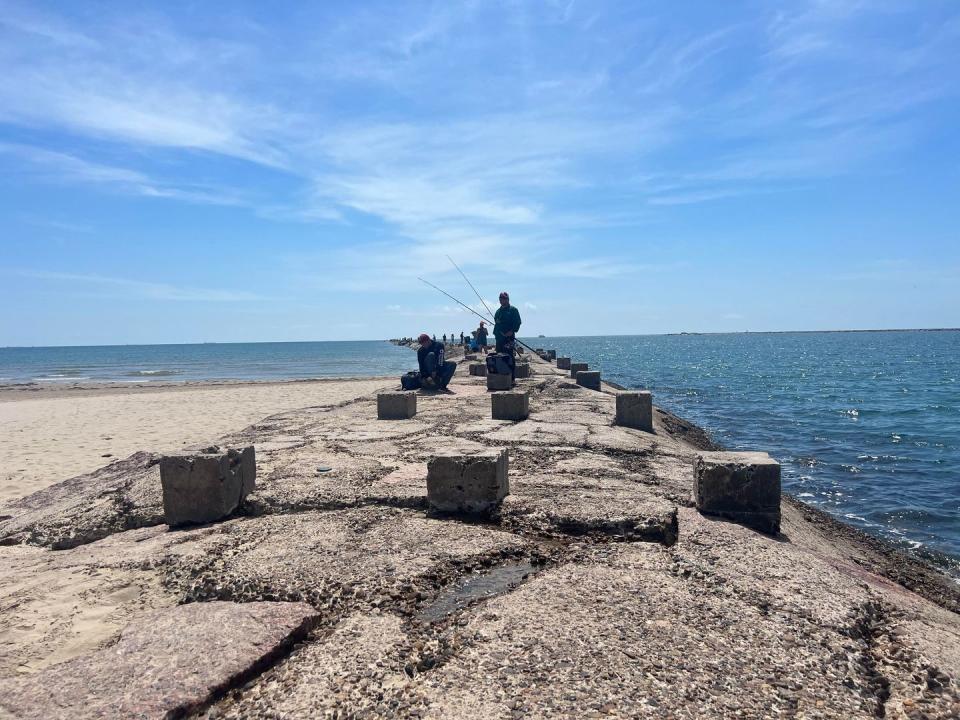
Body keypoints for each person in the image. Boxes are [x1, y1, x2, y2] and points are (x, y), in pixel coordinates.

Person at [493, 291, 521, 382]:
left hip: (509, 338)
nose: (502, 300)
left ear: (508, 299)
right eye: (500, 298)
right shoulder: (498, 311)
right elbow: (496, 322)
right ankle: (501, 377)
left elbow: (517, 322)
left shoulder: (513, 310)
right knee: (499, 357)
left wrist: (511, 331)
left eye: (504, 298)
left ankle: (511, 378)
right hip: (499, 339)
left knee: (509, 357)